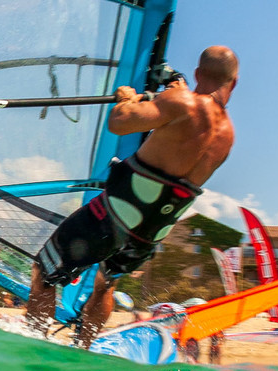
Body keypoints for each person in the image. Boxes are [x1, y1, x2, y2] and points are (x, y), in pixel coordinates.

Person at [25, 45, 239, 343]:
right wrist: (171, 94)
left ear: (198, 73)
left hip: (111, 218)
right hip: (148, 236)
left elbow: (119, 122)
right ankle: (83, 347)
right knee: (105, 284)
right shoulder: (227, 136)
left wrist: (128, 98)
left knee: (44, 272)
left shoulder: (182, 102)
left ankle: (33, 344)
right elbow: (181, 142)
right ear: (234, 82)